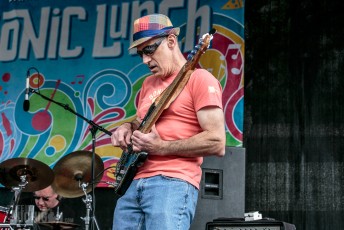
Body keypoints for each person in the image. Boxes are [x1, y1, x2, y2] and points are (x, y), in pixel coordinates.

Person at [111, 14, 226, 230]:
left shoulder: (200, 79)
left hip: (172, 182)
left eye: (149, 50)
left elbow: (217, 142)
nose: (145, 60)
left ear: (171, 41)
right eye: (140, 54)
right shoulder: (148, 83)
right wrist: (127, 127)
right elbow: (141, 120)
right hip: (133, 182)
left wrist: (160, 147)